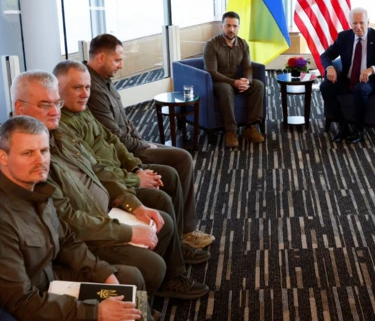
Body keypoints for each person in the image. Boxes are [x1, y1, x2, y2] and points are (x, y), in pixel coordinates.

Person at [12, 70, 209, 301]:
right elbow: (67, 224)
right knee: (151, 266)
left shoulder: (61, 133)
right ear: (20, 107)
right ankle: (143, 303)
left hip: (104, 215)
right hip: (89, 234)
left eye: (57, 103)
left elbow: (98, 170)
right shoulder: (31, 161)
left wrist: (134, 205)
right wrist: (126, 231)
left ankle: (165, 283)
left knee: (160, 219)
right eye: (45, 105)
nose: (55, 112)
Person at [0, 116, 146, 321]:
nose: (41, 160)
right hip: (33, 303)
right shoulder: (4, 218)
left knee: (128, 281)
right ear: (3, 157)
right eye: (28, 153)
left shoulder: (38, 187)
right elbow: (21, 302)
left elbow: (66, 239)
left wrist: (101, 272)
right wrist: (96, 312)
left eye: (44, 151)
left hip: (54, 279)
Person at [85, 34, 214, 249]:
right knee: (182, 158)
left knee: (178, 157)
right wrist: (142, 146)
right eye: (117, 60)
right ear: (100, 58)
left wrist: (142, 139)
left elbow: (125, 121)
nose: (121, 65)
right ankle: (187, 231)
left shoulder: (105, 82)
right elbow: (114, 136)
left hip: (134, 142)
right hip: (126, 150)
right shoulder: (91, 90)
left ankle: (184, 228)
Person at [320, 7, 375, 143]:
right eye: (354, 23)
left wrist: (372, 69)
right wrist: (329, 67)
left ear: (368, 22)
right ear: (350, 24)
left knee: (360, 89)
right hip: (348, 79)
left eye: (361, 23)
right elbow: (325, 55)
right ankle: (343, 126)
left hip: (370, 81)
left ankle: (359, 129)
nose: (358, 27)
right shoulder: (344, 37)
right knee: (325, 86)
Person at [203, 11, 265, 148]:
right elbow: (211, 72)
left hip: (236, 81)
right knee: (226, 89)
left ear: (238, 27)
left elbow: (248, 67)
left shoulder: (243, 44)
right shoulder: (211, 45)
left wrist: (246, 81)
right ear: (222, 27)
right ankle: (230, 131)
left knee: (258, 85)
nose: (231, 29)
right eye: (228, 26)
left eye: (235, 26)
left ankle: (250, 127)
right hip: (217, 83)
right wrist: (233, 82)